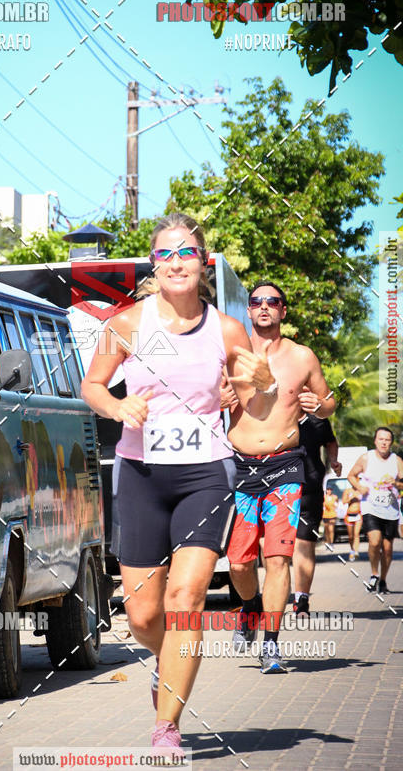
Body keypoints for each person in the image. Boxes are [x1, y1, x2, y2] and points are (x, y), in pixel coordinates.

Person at [81, 213, 277, 755]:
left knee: (186, 596)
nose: (176, 263)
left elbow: (254, 399)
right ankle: (168, 661)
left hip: (205, 474)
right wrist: (119, 404)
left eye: (186, 253)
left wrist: (261, 384)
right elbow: (92, 385)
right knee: (144, 613)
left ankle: (166, 728)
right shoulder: (126, 325)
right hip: (141, 473)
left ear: (202, 263)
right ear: (153, 264)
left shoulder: (227, 329)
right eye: (165, 254)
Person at [222, 281, 336, 673]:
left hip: (286, 466)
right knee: (238, 563)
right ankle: (250, 607)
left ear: (283, 311)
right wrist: (217, 397)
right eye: (257, 302)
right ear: (248, 311)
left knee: (278, 559)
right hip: (241, 468)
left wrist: (318, 405)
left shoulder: (302, 356)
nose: (264, 307)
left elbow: (328, 401)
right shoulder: (233, 356)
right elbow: (204, 396)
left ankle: (270, 643)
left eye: (273, 302)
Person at [292, 414, 341, 615]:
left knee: (304, 544)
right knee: (272, 548)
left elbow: (330, 442)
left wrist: (334, 461)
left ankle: (301, 599)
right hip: (275, 491)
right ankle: (265, 598)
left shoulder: (318, 419)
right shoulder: (272, 410)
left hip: (308, 490)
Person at [348, 427, 403, 594]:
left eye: (387, 440)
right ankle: (374, 574)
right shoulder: (366, 458)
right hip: (370, 507)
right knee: (374, 541)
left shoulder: (397, 460)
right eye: (381, 439)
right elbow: (351, 475)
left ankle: (383, 580)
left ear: (391, 443)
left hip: (391, 509)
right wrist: (359, 486)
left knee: (387, 549)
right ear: (375, 441)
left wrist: (396, 484)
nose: (384, 442)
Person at [342, 483, 363, 561]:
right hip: (349, 515)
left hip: (358, 514)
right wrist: (351, 497)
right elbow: (344, 501)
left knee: (356, 534)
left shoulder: (360, 491)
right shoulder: (347, 491)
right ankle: (352, 550)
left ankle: (356, 552)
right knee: (351, 536)